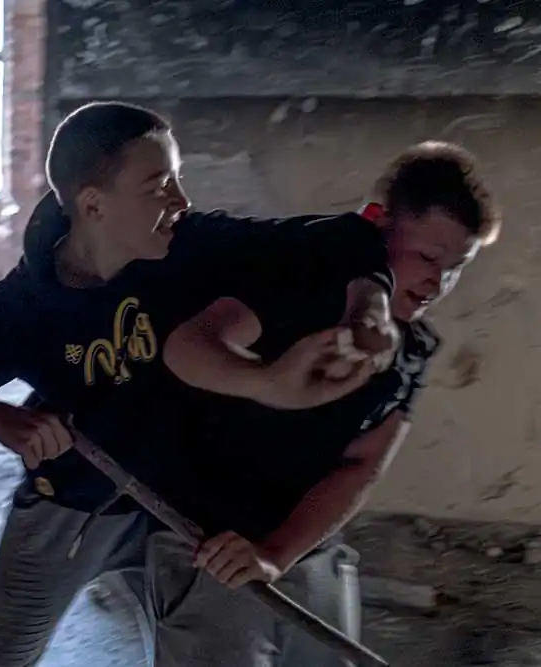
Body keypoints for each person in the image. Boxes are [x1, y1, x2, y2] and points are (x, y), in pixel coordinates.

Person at [0, 101, 401, 667]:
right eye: (159, 186)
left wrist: (369, 307)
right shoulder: (23, 306)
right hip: (73, 507)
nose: (181, 200)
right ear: (93, 205)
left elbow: (342, 238)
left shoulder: (193, 246)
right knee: (4, 657)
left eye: (177, 179)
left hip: (179, 510)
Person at [127, 140, 497, 666]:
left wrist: (277, 554)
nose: (438, 283)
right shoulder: (302, 280)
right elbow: (191, 345)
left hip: (304, 548)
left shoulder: (414, 350)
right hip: (208, 543)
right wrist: (267, 380)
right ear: (379, 226)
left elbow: (361, 464)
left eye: (456, 268)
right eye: (428, 258)